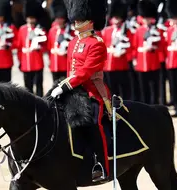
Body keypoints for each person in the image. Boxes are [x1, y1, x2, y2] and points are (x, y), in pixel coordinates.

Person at [51, 0, 111, 182]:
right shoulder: (74, 42)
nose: (76, 21)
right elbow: (71, 70)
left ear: (90, 20)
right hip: (74, 89)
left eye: (81, 18)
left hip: (93, 91)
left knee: (93, 123)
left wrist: (66, 85)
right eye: (76, 18)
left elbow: (86, 72)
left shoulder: (97, 43)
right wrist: (63, 87)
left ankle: (100, 164)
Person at [133, 0, 164, 105]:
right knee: (143, 87)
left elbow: (161, 46)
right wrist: (135, 59)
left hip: (154, 62)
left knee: (155, 87)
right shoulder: (138, 31)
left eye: (148, 18)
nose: (146, 20)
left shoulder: (157, 30)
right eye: (145, 18)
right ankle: (144, 105)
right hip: (141, 63)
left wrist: (153, 47)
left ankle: (155, 104)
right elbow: (134, 46)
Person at [102, 0, 133, 100]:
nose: (115, 20)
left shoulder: (126, 31)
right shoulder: (107, 31)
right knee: (111, 90)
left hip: (121, 65)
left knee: (123, 90)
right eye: (114, 18)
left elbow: (130, 47)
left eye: (118, 18)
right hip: (108, 66)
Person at [17, 0, 47, 97]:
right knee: (27, 87)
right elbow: (19, 47)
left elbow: (46, 46)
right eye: (29, 18)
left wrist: (39, 47)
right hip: (26, 63)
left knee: (39, 87)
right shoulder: (22, 29)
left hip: (37, 62)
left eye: (32, 18)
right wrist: (20, 61)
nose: (31, 20)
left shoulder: (40, 30)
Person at [47, 0, 73, 82]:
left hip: (65, 64)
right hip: (54, 64)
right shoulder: (52, 30)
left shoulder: (70, 31)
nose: (59, 22)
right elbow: (49, 47)